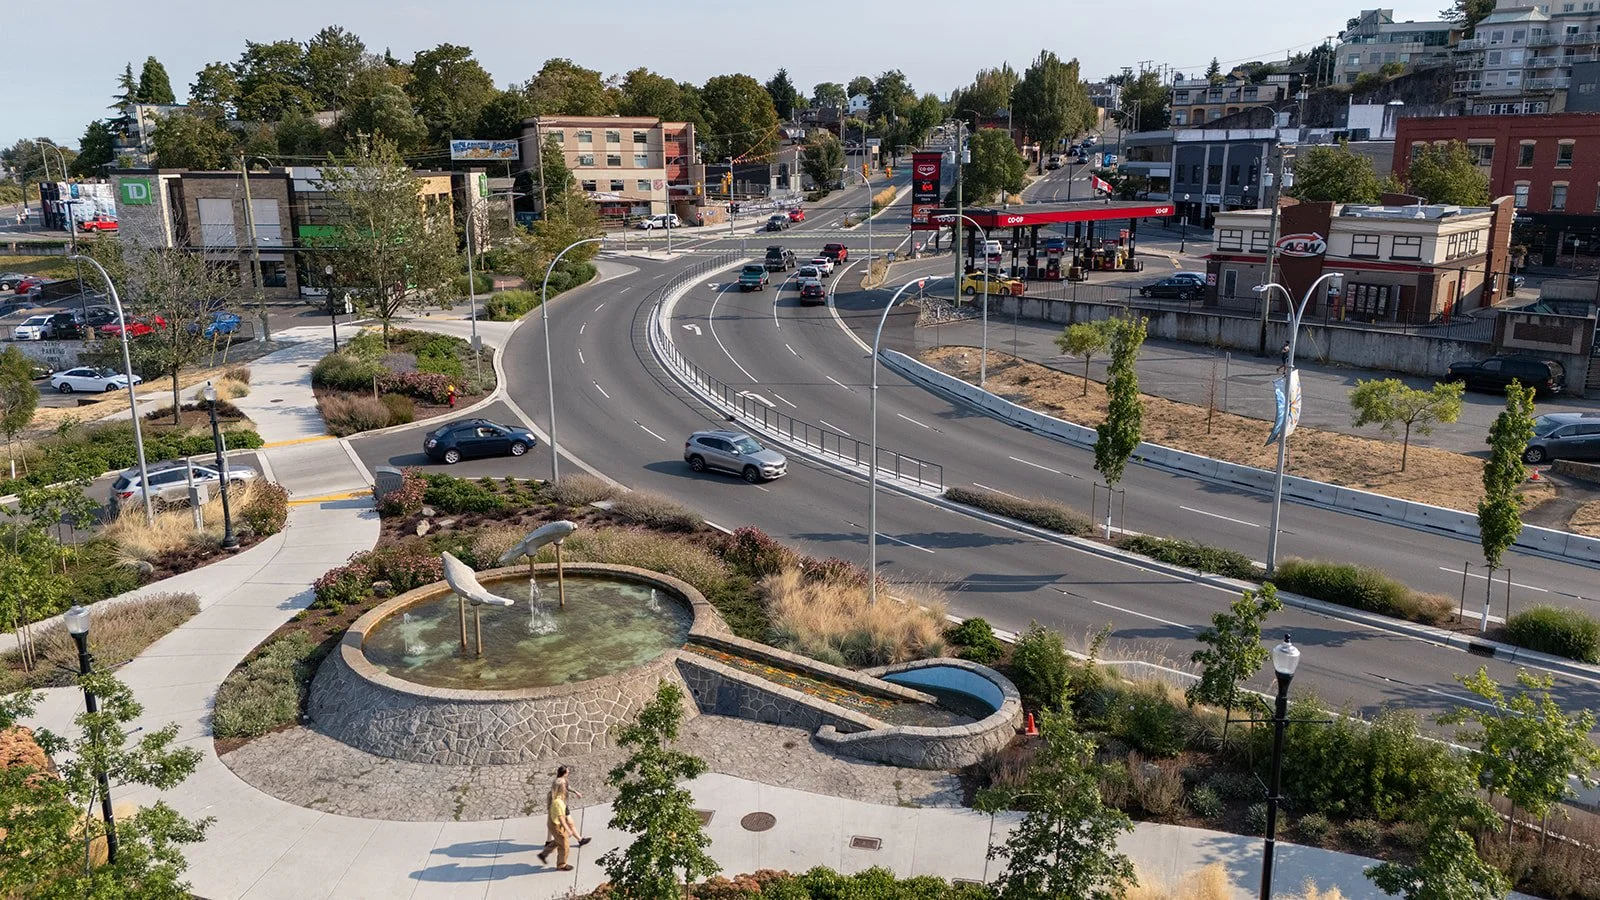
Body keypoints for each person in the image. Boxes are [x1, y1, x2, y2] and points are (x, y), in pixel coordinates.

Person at [537, 780, 574, 870]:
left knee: (559, 840)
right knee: (564, 846)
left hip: (553, 822)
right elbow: (561, 819)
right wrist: (568, 830)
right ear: (561, 788)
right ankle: (561, 865)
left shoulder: (555, 797)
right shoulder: (558, 802)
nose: (566, 787)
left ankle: (544, 854)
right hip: (557, 825)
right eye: (565, 785)